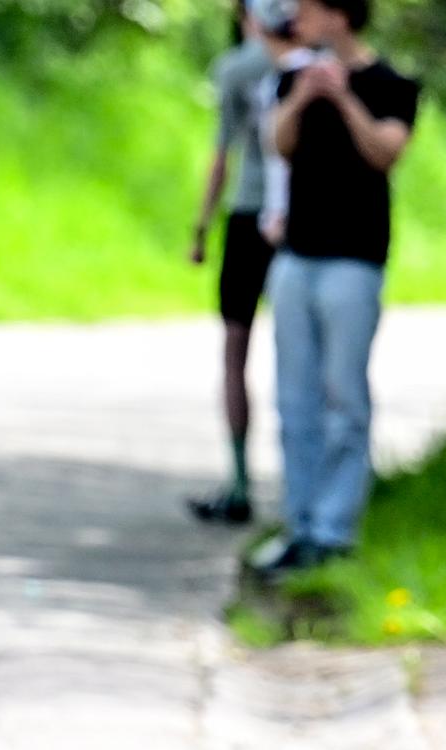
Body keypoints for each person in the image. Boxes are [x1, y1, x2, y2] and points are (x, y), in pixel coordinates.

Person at [258, 0, 418, 572]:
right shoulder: (295, 77)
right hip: (296, 258)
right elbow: (279, 145)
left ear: (340, 14)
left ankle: (334, 530)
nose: (295, 17)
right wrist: (304, 97)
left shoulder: (391, 84)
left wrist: (344, 98)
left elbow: (386, 153)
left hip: (354, 261)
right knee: (293, 397)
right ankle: (299, 526)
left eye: (307, 7)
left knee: (343, 397)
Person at [186, 0, 299, 526]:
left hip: (248, 213)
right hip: (299, 217)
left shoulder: (236, 68)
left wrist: (202, 226)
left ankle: (239, 481)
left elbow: (222, 154)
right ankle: (300, 490)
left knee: (236, 349)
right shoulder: (314, 59)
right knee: (300, 353)